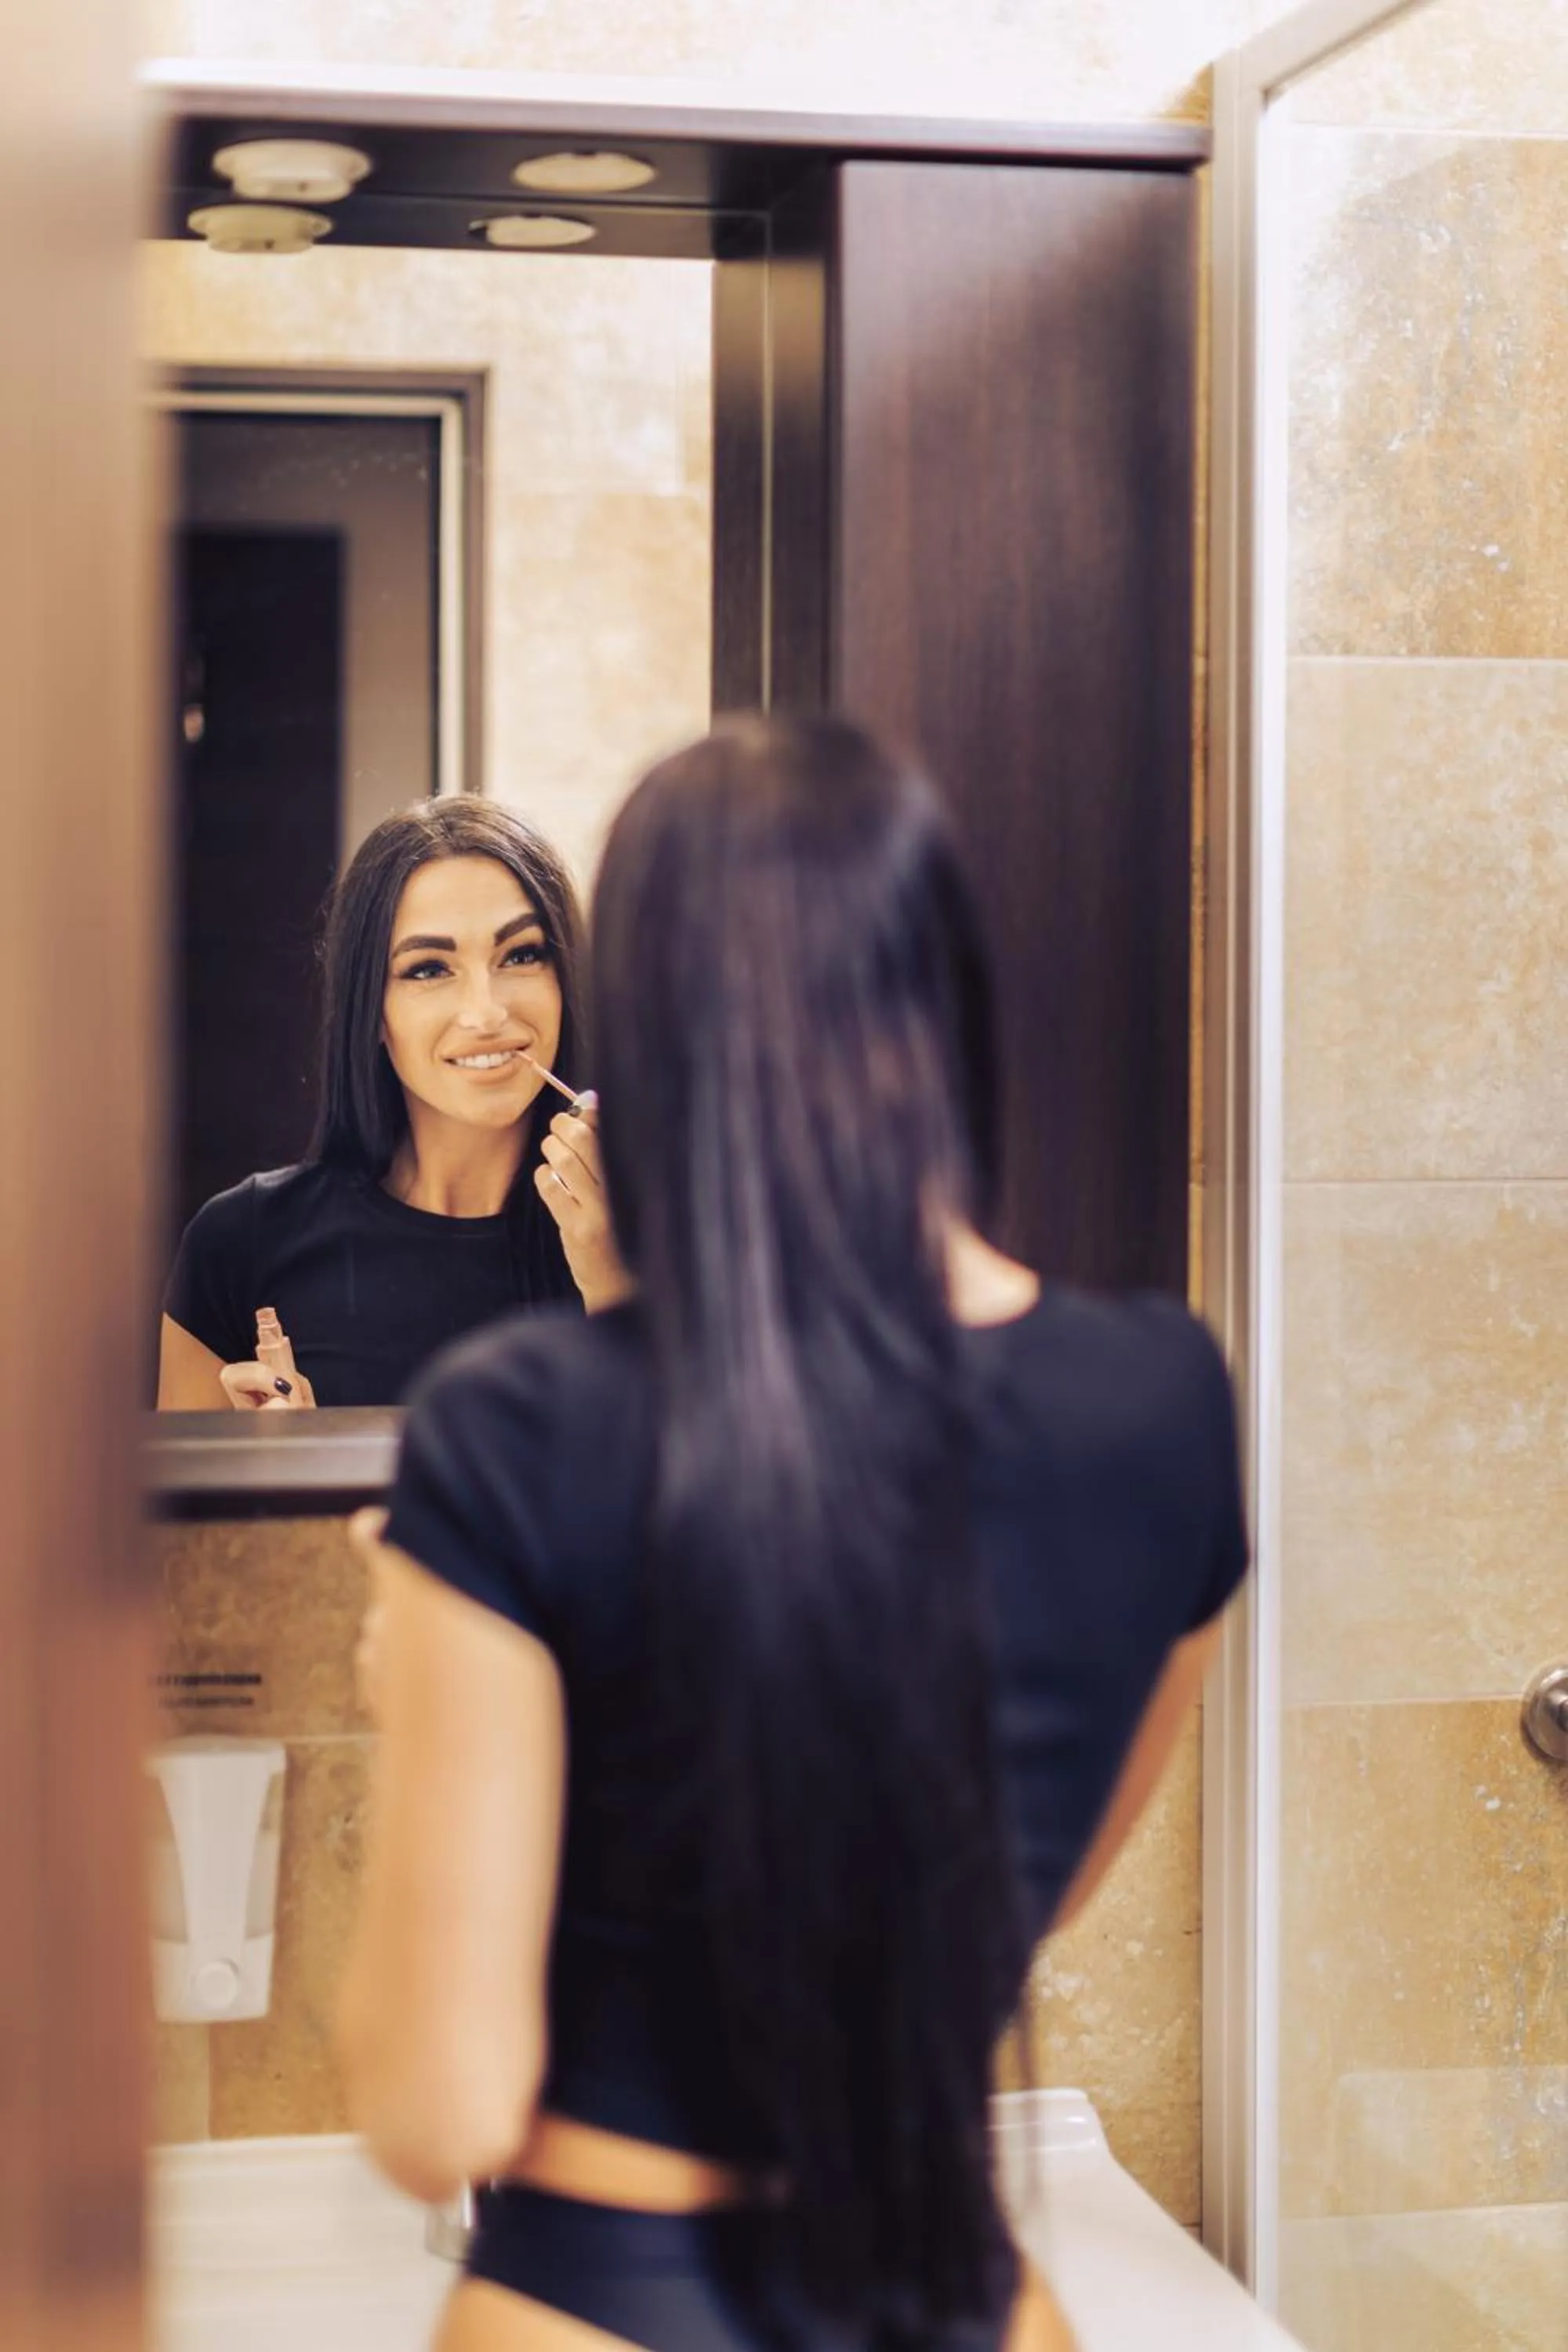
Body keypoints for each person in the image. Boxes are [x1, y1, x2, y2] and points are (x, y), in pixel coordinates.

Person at [337, 716, 1249, 2352]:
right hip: (962, 2303)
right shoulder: (1165, 1408)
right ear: (947, 998)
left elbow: (436, 2113)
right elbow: (988, 1900)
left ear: (649, 1023)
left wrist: (419, 1690)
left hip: (594, 2302)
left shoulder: (518, 1429)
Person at [157, 798, 626, 1410]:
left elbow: (705, 1497)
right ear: (371, 1011)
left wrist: (616, 1287)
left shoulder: (652, 1231)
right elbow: (174, 1510)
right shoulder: (238, 1245)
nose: (486, 1012)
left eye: (520, 955)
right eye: (429, 969)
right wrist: (287, 1467)